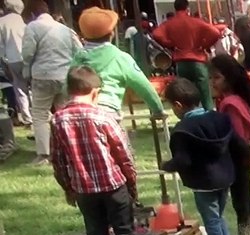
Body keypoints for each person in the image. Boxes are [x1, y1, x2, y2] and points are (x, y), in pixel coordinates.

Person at [50, 66, 156, 235]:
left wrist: (67, 187)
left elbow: (58, 160)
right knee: (125, 231)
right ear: (95, 92)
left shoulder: (58, 120)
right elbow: (122, 153)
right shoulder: (102, 116)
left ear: (69, 89)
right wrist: (131, 183)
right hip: (113, 184)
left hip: (83, 188)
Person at [161, 77, 250, 235]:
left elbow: (183, 160)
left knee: (211, 221)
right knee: (218, 217)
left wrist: (167, 165)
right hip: (225, 177)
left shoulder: (182, 131)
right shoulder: (219, 117)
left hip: (203, 182)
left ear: (178, 105)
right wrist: (249, 155)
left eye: (171, 106)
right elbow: (237, 142)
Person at [72, 7, 165, 139]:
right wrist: (157, 109)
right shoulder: (120, 57)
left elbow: (67, 85)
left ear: (83, 33)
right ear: (112, 33)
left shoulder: (78, 58)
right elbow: (144, 86)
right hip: (108, 112)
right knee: (120, 153)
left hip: (78, 112)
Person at [209, 54, 250, 235]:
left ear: (228, 78)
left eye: (216, 77)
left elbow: (236, 138)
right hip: (241, 157)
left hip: (238, 160)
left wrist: (249, 155)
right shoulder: (233, 100)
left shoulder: (230, 104)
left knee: (241, 205)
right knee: (248, 201)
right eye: (211, 77)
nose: (212, 82)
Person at [22, 0, 81, 165]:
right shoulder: (65, 29)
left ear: (33, 14)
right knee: (64, 114)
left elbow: (27, 54)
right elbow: (79, 51)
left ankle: (44, 154)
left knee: (40, 115)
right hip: (64, 77)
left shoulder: (32, 27)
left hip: (42, 77)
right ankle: (70, 150)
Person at [151, 0, 221, 110]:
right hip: (198, 61)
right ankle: (209, 116)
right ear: (187, 8)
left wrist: (170, 44)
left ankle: (189, 116)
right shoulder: (196, 21)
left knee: (185, 94)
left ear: (175, 9)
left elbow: (156, 34)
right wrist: (203, 45)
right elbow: (216, 32)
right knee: (205, 94)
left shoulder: (170, 23)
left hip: (181, 62)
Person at [0, 0, 30, 127]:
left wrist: (3, 60)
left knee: (19, 88)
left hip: (12, 59)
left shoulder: (2, 22)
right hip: (27, 56)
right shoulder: (22, 21)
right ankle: (38, 114)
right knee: (31, 86)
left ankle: (27, 117)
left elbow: (1, 45)